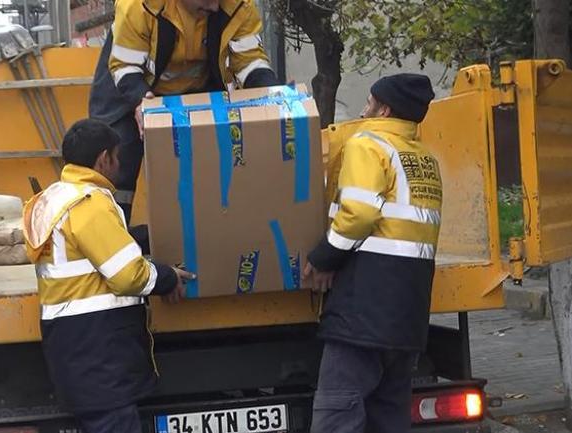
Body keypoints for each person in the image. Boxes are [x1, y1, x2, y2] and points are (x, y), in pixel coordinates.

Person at [23, 118, 195, 433]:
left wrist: (140, 236)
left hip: (77, 347)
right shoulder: (90, 203)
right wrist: (168, 277)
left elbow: (92, 252)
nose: (120, 164)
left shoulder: (58, 197)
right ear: (104, 159)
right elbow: (128, 275)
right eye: (118, 156)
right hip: (98, 354)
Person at [303, 74, 442, 433]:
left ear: (384, 108)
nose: (363, 110)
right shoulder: (423, 158)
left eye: (368, 102)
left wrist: (322, 258)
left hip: (364, 309)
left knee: (336, 415)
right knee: (388, 416)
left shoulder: (368, 144)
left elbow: (360, 213)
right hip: (407, 314)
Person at [89, 0, 279, 221]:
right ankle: (108, 231)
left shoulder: (238, 5)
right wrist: (141, 101)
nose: (215, 7)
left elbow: (250, 61)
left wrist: (273, 95)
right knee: (116, 157)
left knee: (207, 162)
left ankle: (198, 236)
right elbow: (125, 65)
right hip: (128, 83)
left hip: (196, 90)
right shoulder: (138, 5)